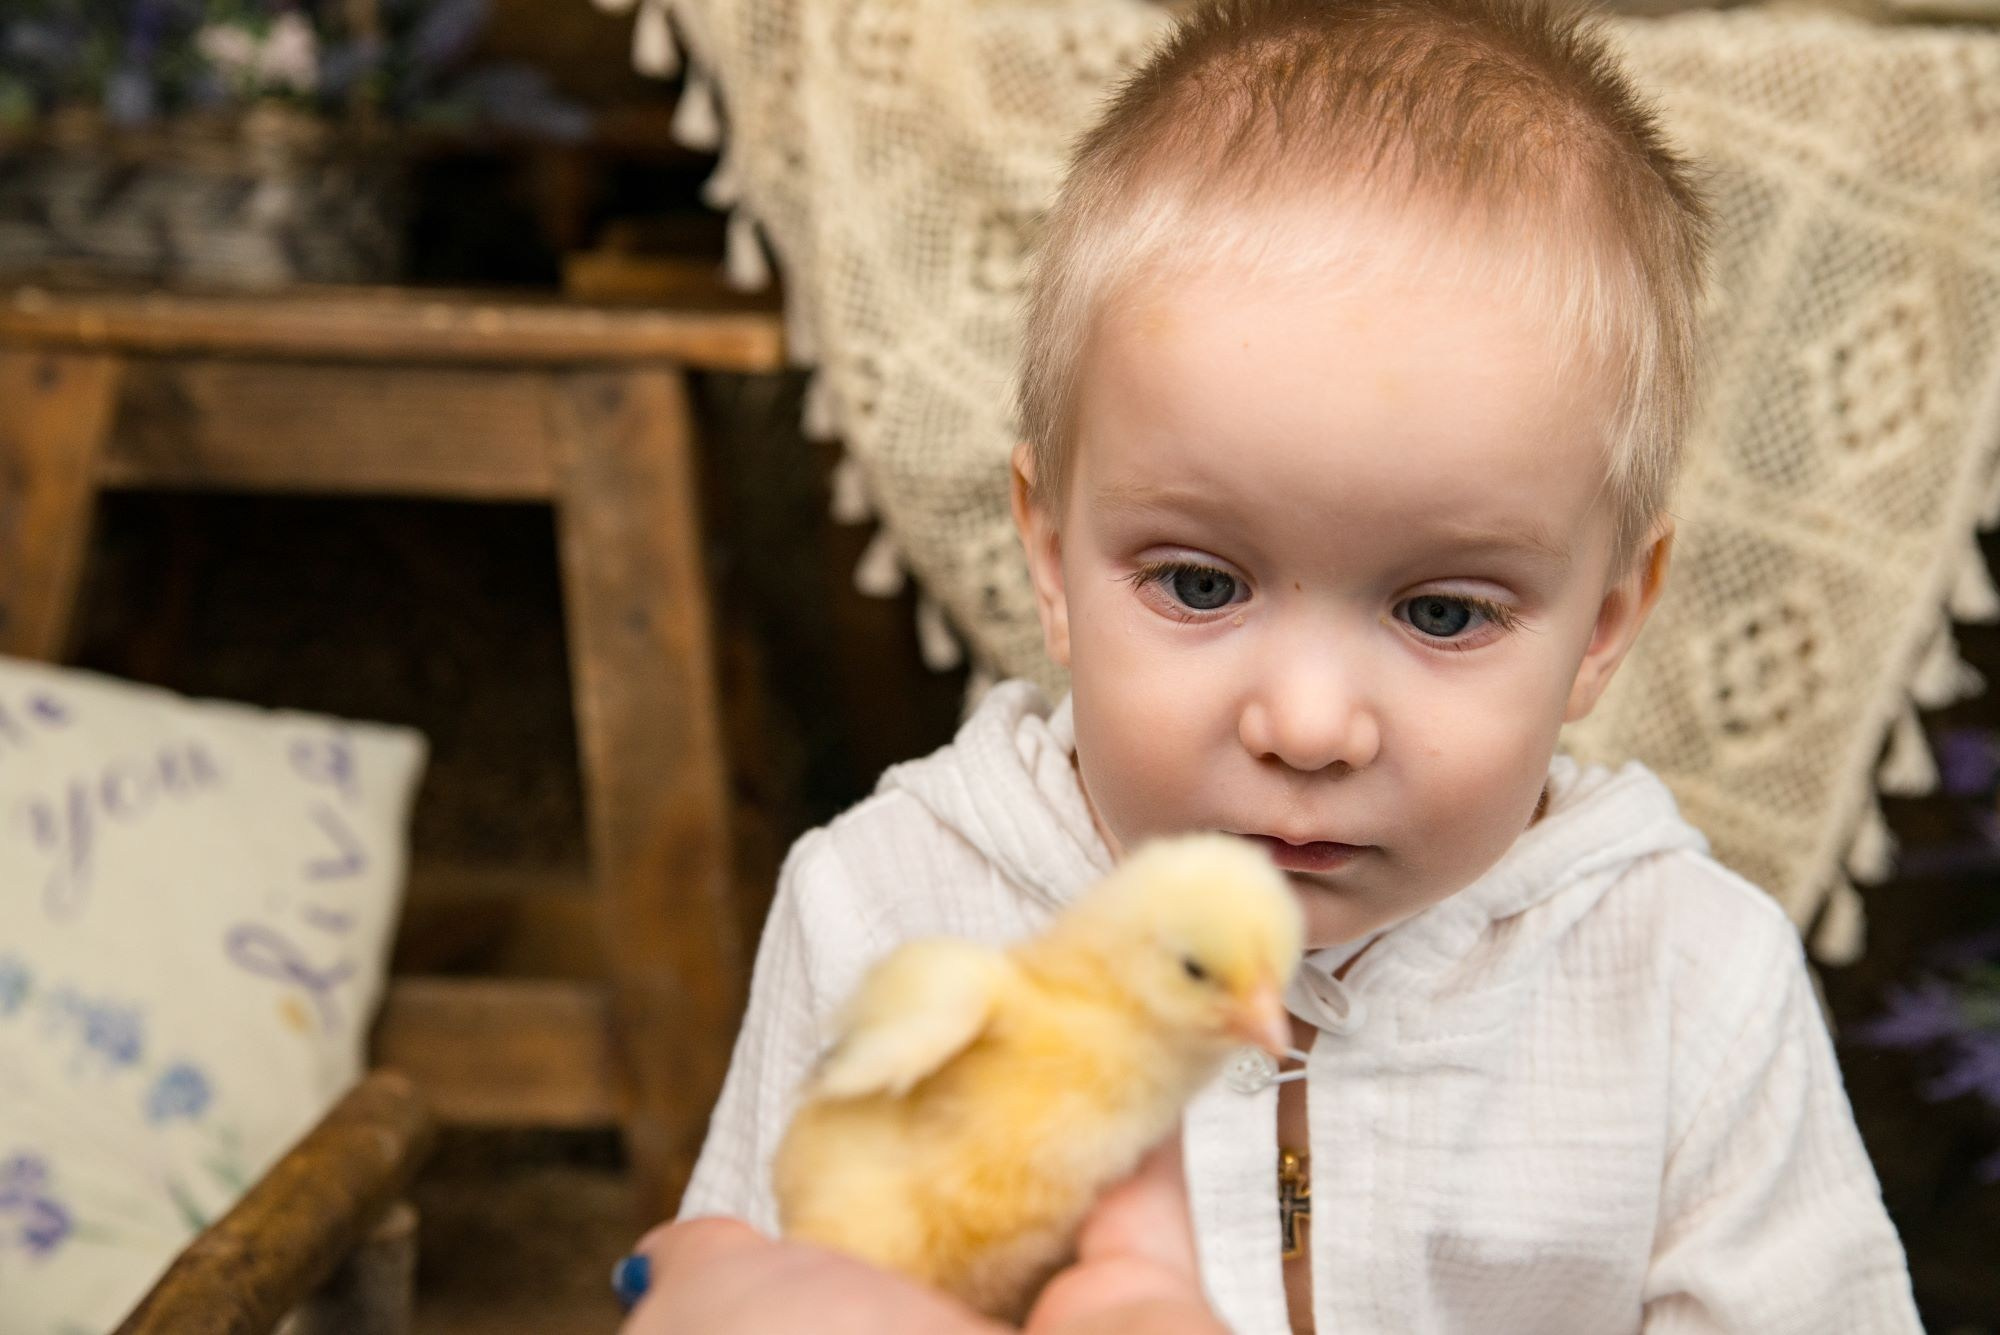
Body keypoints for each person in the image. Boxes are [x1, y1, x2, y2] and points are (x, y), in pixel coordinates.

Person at [660, 0, 1924, 1330]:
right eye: (1200, 585)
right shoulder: (889, 908)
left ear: (1606, 622)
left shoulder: (1684, 977)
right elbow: (733, 1294)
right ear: (1049, 554)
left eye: (1443, 615)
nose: (1311, 726)